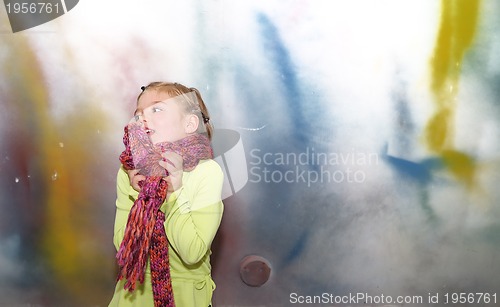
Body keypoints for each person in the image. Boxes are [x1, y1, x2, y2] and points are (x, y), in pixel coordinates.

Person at [109, 82, 224, 307]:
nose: (143, 117)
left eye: (157, 109)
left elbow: (192, 252)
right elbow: (123, 248)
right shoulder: (129, 171)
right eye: (138, 113)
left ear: (190, 123)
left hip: (185, 296)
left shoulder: (206, 172)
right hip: (133, 295)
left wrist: (173, 194)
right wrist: (137, 194)